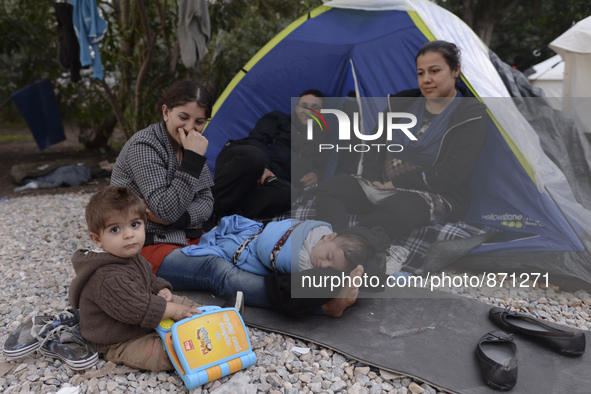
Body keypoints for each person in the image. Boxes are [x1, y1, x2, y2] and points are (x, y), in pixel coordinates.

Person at [110, 81, 368, 318]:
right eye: (183, 117)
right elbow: (165, 210)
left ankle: (326, 282)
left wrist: (177, 215)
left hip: (188, 234)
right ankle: (324, 305)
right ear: (166, 112)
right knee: (217, 270)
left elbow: (206, 203)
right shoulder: (145, 146)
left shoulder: (191, 144)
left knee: (251, 254)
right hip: (145, 246)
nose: (190, 128)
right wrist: (190, 166)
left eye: (199, 122)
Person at [315, 40, 487, 241]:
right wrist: (373, 179)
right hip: (382, 185)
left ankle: (351, 242)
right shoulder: (402, 103)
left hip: (429, 194)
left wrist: (397, 183)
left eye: (435, 71)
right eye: (421, 73)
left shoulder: (470, 115)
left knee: (404, 209)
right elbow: (375, 144)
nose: (426, 79)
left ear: (455, 71)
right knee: (329, 188)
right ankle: (337, 239)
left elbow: (453, 173)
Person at [68, 186, 203, 372]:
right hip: (119, 338)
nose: (129, 234)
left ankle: (205, 317)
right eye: (115, 229)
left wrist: (161, 288)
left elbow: (148, 276)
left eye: (135, 224)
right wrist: (176, 311)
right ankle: (186, 340)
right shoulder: (106, 277)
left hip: (142, 314)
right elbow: (138, 309)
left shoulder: (129, 254)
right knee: (165, 355)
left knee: (181, 303)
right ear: (97, 239)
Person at [211, 89, 328, 220]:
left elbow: (321, 167)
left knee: (289, 193)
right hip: (245, 163)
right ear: (296, 107)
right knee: (253, 156)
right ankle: (209, 209)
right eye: (304, 105)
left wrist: (316, 174)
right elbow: (256, 140)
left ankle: (224, 217)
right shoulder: (278, 119)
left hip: (270, 184)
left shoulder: (322, 141)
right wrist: (264, 167)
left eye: (315, 107)